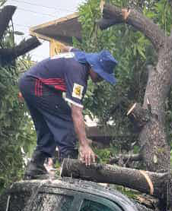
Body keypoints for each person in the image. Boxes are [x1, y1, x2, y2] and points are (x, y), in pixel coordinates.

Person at [17, 49, 117, 179]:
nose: (100, 79)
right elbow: (76, 113)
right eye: (100, 75)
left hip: (29, 83)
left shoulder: (81, 57)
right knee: (66, 120)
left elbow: (68, 48)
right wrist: (84, 145)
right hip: (36, 84)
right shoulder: (78, 72)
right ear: (93, 66)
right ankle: (70, 169)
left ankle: (35, 166)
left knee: (49, 127)